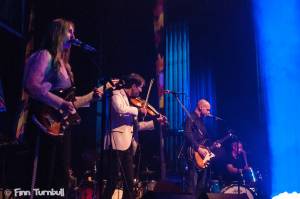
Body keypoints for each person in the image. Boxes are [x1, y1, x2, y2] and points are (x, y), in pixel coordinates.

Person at [22, 18, 103, 193]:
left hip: (60, 126)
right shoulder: (45, 55)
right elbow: (32, 85)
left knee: (61, 174)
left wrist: (91, 98)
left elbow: (69, 102)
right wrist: (61, 103)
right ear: (57, 33)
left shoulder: (65, 65)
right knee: (46, 173)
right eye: (69, 31)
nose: (74, 36)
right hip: (44, 123)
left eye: (74, 32)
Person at [103, 73, 166, 199]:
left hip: (128, 145)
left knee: (130, 183)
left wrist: (154, 122)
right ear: (133, 86)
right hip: (116, 143)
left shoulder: (132, 102)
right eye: (140, 87)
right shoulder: (117, 94)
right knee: (112, 181)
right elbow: (120, 108)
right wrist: (137, 110)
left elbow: (137, 126)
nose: (141, 91)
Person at [184, 99, 219, 199]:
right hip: (193, 153)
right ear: (201, 107)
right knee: (192, 184)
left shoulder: (201, 121)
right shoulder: (190, 117)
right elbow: (187, 134)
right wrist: (198, 148)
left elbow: (204, 139)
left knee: (202, 185)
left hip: (202, 156)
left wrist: (213, 145)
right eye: (207, 110)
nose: (209, 112)